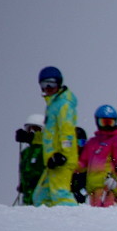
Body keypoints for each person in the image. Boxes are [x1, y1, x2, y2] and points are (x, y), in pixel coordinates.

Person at [32, 66, 79, 207]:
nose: (48, 88)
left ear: (58, 83)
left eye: (51, 84)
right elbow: (50, 136)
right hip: (52, 159)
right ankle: (49, 226)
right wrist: (31, 138)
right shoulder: (52, 105)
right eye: (44, 84)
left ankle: (76, 221)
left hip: (61, 159)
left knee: (60, 194)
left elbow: (67, 132)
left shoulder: (64, 105)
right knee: (40, 197)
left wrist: (62, 154)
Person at [78, 105, 117, 207]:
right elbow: (83, 162)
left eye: (110, 123)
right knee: (95, 213)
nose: (106, 126)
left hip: (107, 184)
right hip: (92, 185)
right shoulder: (92, 142)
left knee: (107, 211)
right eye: (103, 122)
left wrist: (115, 179)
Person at [15, 114, 46, 205]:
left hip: (42, 198)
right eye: (29, 129)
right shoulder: (26, 152)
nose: (32, 132)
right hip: (27, 197)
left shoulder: (46, 150)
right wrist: (22, 183)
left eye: (36, 129)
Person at [71, 127, 88, 204]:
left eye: (81, 142)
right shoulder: (64, 159)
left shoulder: (88, 159)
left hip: (82, 195)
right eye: (74, 142)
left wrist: (81, 193)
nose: (78, 146)